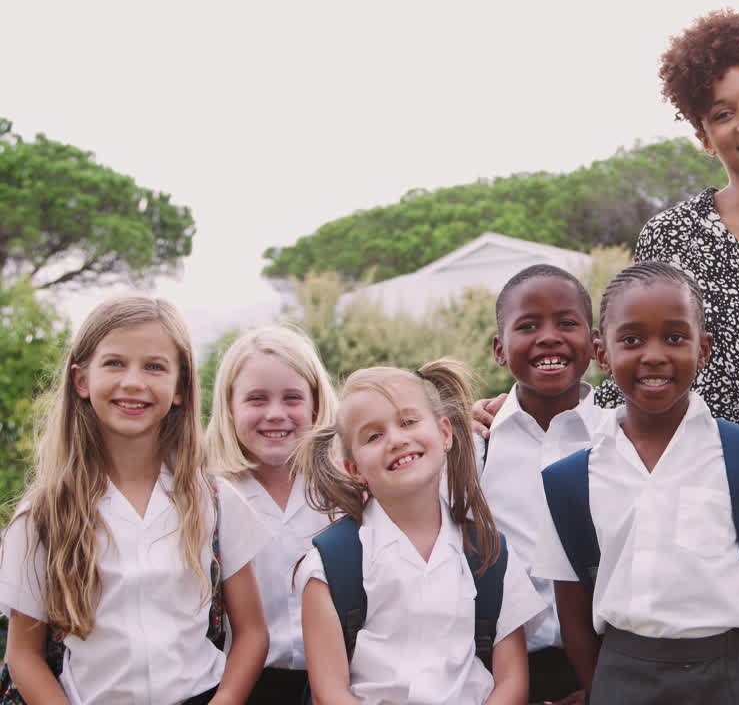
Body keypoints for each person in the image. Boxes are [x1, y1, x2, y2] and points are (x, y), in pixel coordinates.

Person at [474, 9, 739, 477]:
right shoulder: (672, 238)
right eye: (723, 114)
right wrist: (529, 410)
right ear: (704, 137)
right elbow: (637, 372)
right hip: (715, 497)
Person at [532, 261, 739, 704]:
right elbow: (575, 621)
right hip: (626, 676)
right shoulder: (569, 481)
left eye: (675, 338)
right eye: (632, 339)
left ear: (704, 350)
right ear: (602, 353)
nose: (654, 354)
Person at [0, 295, 268, 704]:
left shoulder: (216, 502)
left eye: (154, 367)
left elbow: (251, 633)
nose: (133, 382)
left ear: (179, 388)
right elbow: (23, 655)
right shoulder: (41, 517)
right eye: (115, 363)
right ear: (81, 381)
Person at [294, 359, 545, 705]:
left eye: (408, 421)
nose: (396, 439)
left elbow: (512, 680)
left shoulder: (490, 554)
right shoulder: (328, 567)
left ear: (444, 434)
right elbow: (330, 693)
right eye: (373, 435)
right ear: (354, 469)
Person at [480, 265, 602, 704]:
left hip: (606, 668)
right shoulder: (474, 447)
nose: (548, 337)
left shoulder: (619, 437)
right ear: (499, 348)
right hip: (499, 673)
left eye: (567, 323)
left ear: (595, 342)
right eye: (528, 326)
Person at [204, 325, 340, 703]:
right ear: (229, 408)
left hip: (338, 684)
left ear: (315, 403)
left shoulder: (347, 489)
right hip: (242, 686)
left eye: (292, 398)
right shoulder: (209, 495)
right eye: (257, 399)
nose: (276, 414)